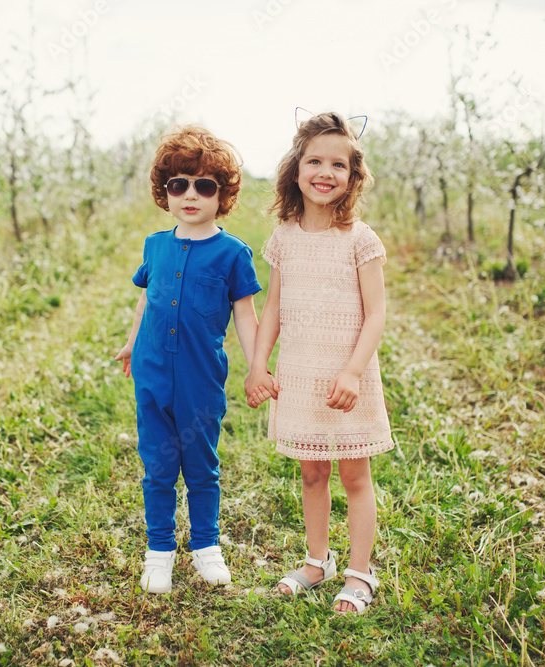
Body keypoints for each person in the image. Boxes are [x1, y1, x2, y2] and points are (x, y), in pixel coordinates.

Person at [244, 111, 394, 614]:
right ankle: (317, 560)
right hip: (301, 374)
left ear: (353, 177)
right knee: (312, 473)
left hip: (347, 376)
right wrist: (259, 364)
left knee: (354, 475)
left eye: (338, 164)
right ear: (296, 169)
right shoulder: (284, 236)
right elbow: (274, 309)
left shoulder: (359, 238)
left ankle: (359, 572)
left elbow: (376, 314)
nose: (325, 172)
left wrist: (352, 370)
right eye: (314, 161)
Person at [115, 125, 261, 594]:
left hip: (200, 381)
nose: (190, 195)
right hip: (152, 376)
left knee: (201, 467)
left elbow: (245, 317)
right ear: (165, 192)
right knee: (157, 467)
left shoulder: (233, 254)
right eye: (179, 184)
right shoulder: (155, 245)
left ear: (223, 195)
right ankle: (158, 553)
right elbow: (147, 298)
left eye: (204, 185)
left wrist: (258, 366)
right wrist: (131, 341)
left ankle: (206, 548)